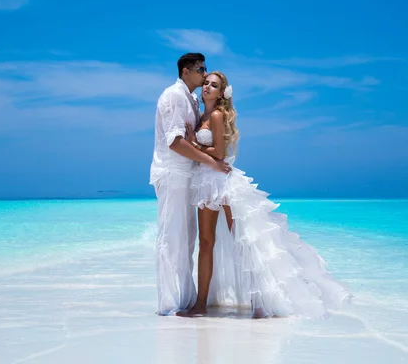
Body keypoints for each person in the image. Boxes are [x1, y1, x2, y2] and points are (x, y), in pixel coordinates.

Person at [179, 71, 353, 318]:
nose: (206, 87)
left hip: (223, 183)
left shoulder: (217, 115)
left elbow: (218, 152)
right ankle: (201, 304)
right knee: (205, 243)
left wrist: (193, 144)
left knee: (243, 241)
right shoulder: (201, 115)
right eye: (206, 83)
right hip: (204, 182)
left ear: (221, 94)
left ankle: (260, 302)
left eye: (213, 85)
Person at [149, 54, 231, 316]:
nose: (204, 75)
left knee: (188, 240)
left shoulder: (192, 100)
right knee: (171, 239)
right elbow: (174, 142)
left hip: (191, 178)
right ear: (186, 72)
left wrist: (205, 157)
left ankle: (186, 300)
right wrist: (211, 161)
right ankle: (169, 305)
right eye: (200, 70)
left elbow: (196, 139)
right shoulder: (174, 96)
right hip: (174, 174)